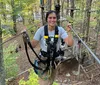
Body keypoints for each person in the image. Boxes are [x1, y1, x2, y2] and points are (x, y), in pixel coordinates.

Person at [31, 10, 73, 85]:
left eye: (54, 18)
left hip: (54, 61)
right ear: (47, 19)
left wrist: (69, 31)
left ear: (56, 19)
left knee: (51, 81)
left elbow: (70, 43)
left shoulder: (60, 30)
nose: (52, 20)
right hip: (43, 62)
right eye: (50, 18)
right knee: (43, 83)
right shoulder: (41, 30)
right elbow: (33, 45)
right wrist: (26, 38)